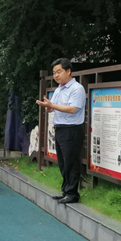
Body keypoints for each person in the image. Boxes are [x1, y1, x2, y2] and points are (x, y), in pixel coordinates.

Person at [36, 58, 86, 204]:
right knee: (63, 162)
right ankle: (66, 191)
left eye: (59, 72)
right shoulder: (58, 89)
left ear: (68, 71)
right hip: (60, 129)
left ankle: (72, 194)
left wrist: (52, 106)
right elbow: (53, 108)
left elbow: (72, 109)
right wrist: (48, 106)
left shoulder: (77, 88)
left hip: (72, 129)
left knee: (71, 162)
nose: (56, 75)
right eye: (54, 73)